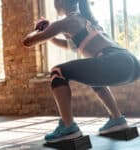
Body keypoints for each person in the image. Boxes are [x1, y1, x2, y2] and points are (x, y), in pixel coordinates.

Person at [24, 0, 140, 143]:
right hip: (132, 64)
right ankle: (117, 119)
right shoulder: (88, 22)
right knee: (94, 78)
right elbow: (68, 45)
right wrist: (50, 34)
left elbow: (28, 41)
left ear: (60, 2)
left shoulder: (67, 21)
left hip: (115, 61)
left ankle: (68, 127)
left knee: (57, 71)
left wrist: (40, 30)